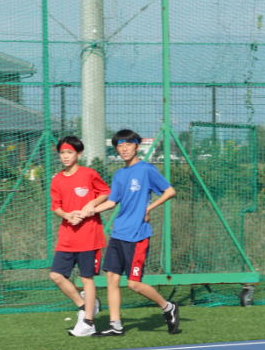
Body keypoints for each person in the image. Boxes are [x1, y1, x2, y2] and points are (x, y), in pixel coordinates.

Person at [89, 130, 180, 337]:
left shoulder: (146, 169)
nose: (124, 149)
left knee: (134, 284)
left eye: (128, 144)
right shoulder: (119, 174)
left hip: (137, 236)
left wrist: (149, 208)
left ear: (137, 147)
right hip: (118, 233)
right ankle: (115, 325)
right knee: (111, 278)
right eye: (120, 146)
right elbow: (111, 202)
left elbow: (170, 191)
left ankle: (168, 307)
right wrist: (89, 210)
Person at [47, 136, 109, 337]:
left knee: (86, 278)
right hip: (67, 237)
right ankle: (85, 306)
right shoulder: (57, 179)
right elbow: (56, 206)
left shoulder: (89, 174)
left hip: (89, 236)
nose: (65, 156)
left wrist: (92, 204)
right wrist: (67, 216)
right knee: (56, 275)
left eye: (70, 152)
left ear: (79, 154)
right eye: (62, 153)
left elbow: (105, 192)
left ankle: (88, 323)